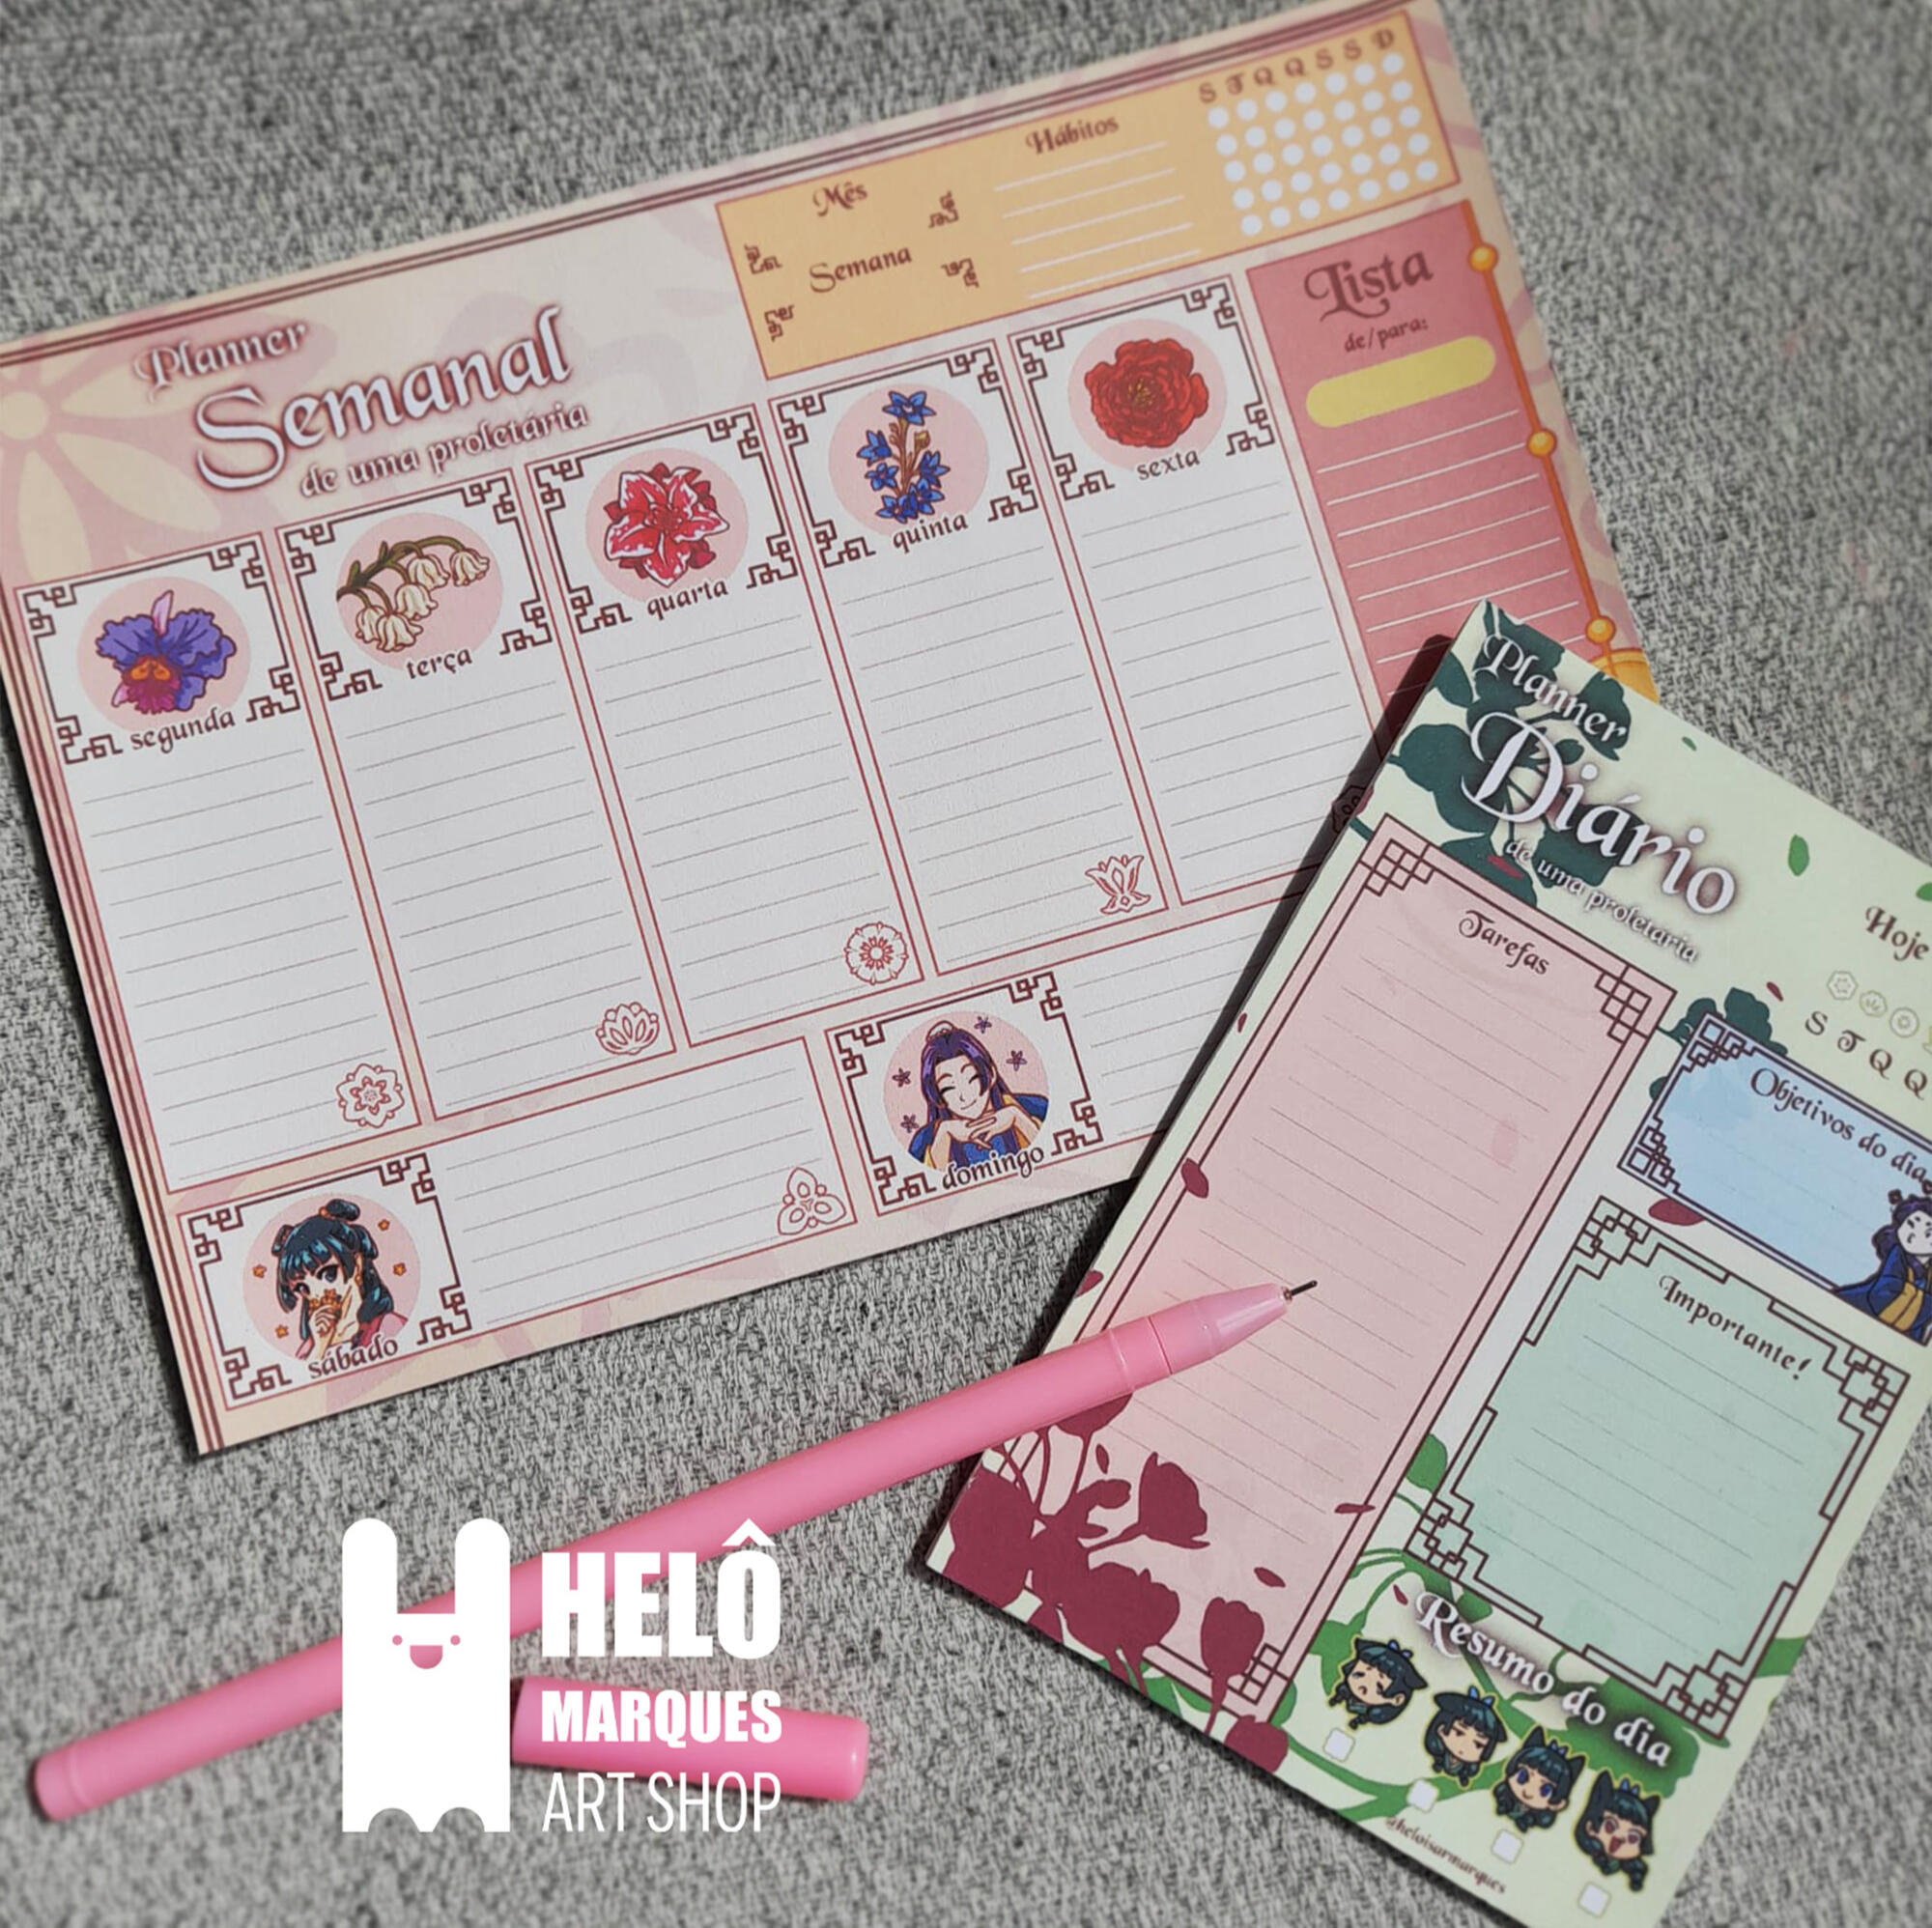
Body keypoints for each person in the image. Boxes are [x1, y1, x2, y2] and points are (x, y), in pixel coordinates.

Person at [907, 1022, 1048, 1170]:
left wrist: (1018, 1118)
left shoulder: (1034, 1109)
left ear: (991, 1073)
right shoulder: (925, 1141)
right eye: (948, 1088)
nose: (963, 1095)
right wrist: (944, 1136)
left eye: (972, 1078)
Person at [271, 1199, 395, 1360]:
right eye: (303, 1288)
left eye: (329, 1274)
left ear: (357, 1263)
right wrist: (319, 1347)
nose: (318, 1294)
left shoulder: (387, 1326)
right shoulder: (310, 1346)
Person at [1833, 1190, 1932, 1343]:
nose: (1916, 1234)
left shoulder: (1927, 1276)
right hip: (1846, 1312)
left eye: (1928, 1232)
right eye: (1911, 1225)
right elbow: (1882, 1297)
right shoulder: (1897, 1259)